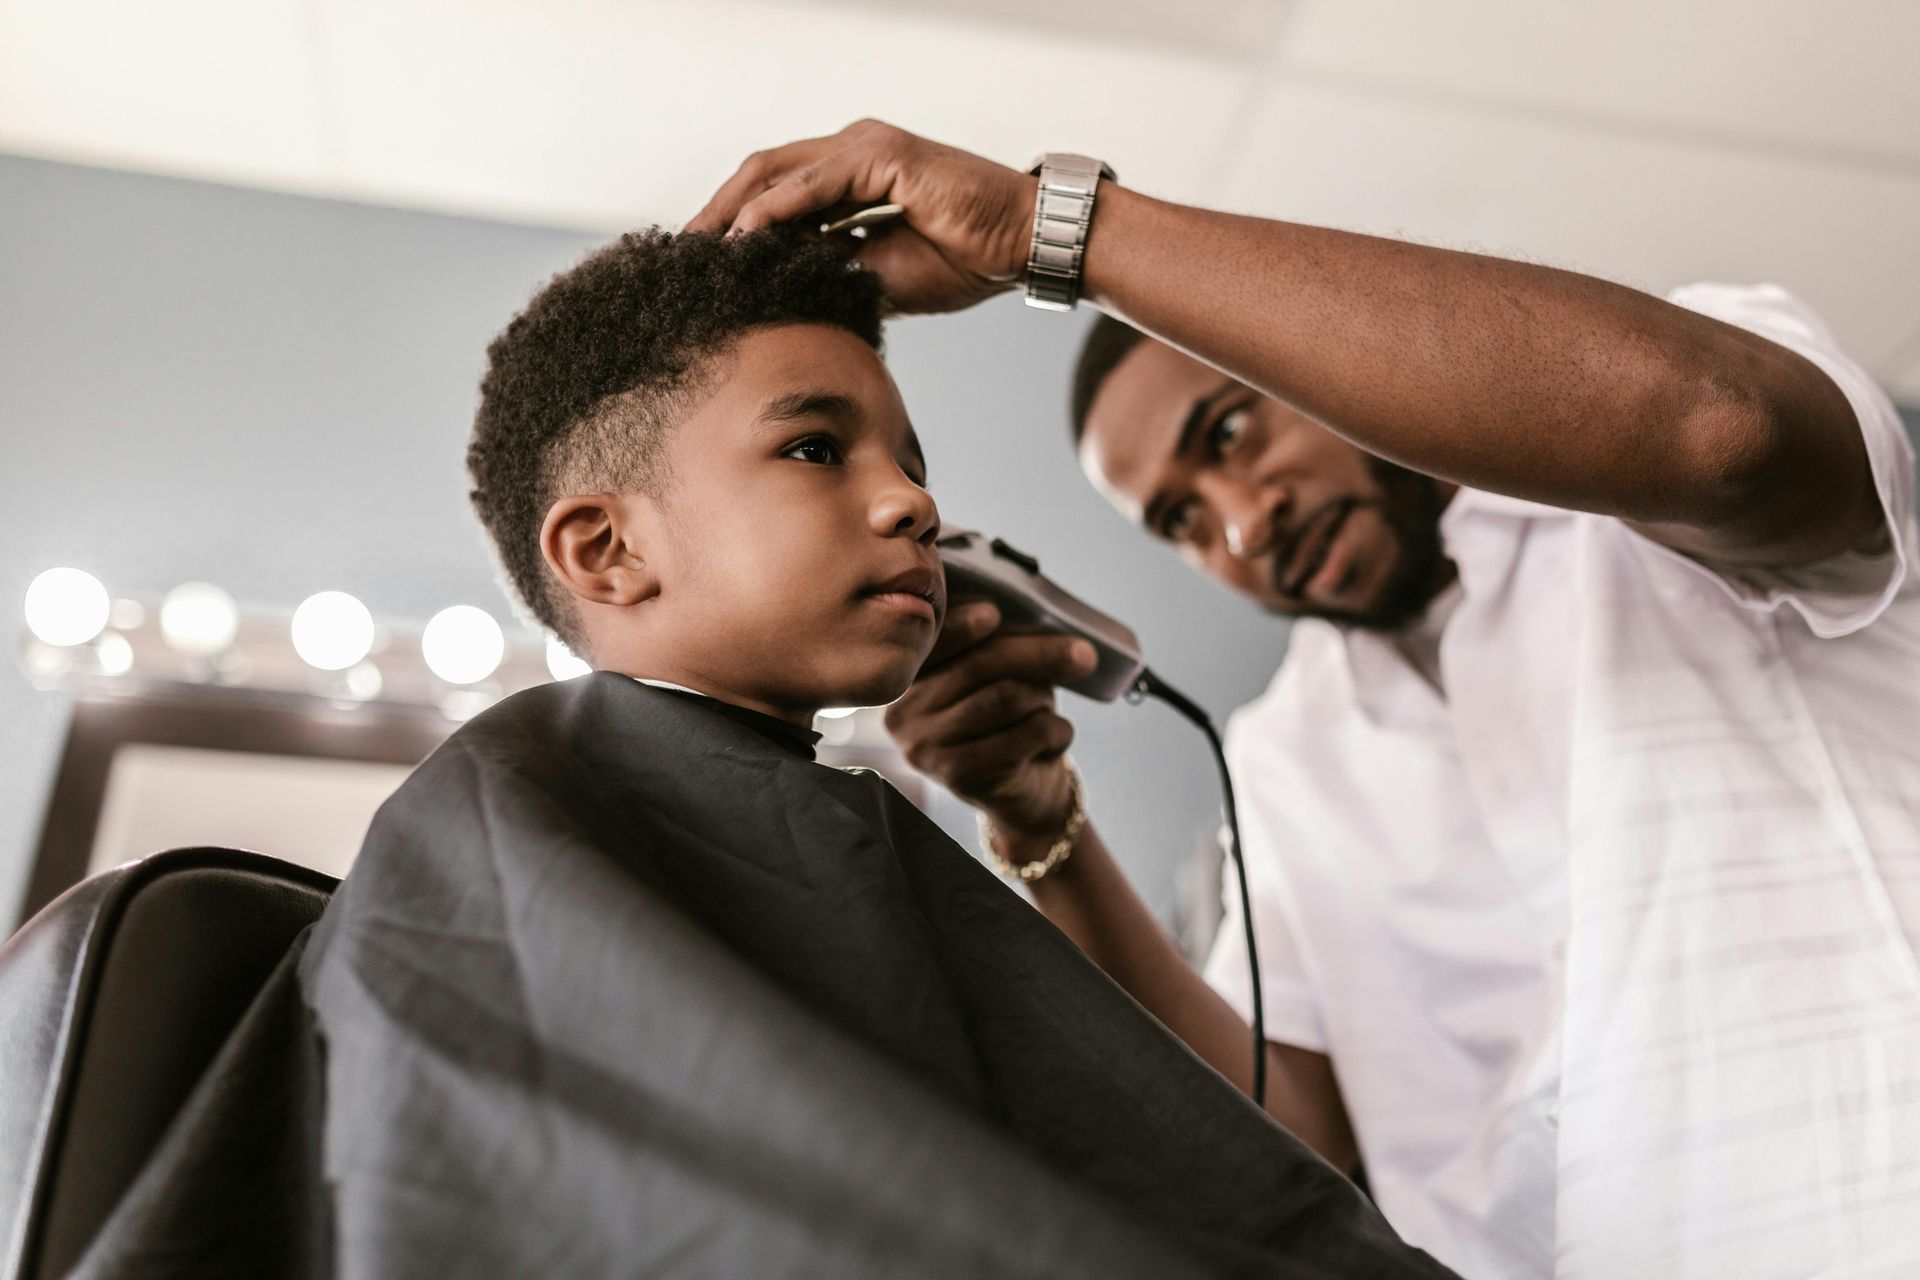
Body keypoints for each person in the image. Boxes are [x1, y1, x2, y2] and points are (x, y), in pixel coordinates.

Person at [65, 227, 1457, 1280]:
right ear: (607, 549)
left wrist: (1040, 824)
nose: (910, 499)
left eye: (913, 461)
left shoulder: (828, 827)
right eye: (814, 448)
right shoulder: (525, 812)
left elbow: (1254, 1165)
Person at [687, 120, 1920, 1278]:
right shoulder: (1285, 759)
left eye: (1229, 433)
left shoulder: (1655, 513)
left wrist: (1050, 232)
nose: (1240, 521)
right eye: (1181, 519)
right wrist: (1035, 819)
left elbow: (1723, 432)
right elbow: (1290, 1130)